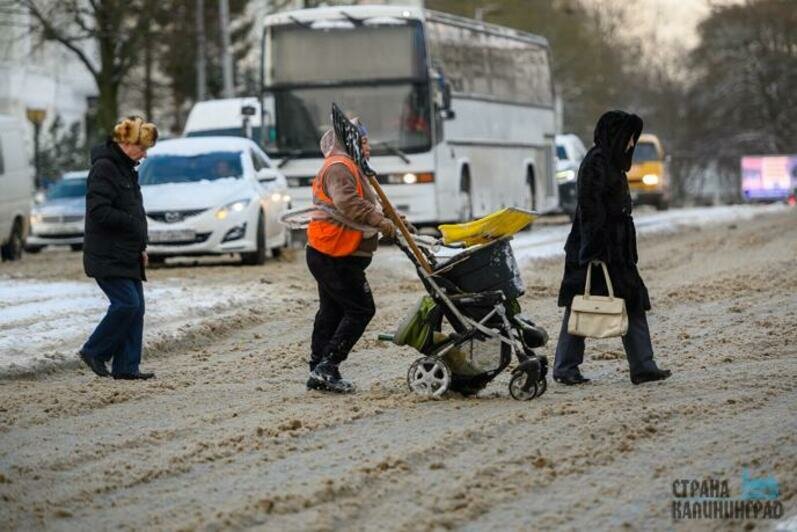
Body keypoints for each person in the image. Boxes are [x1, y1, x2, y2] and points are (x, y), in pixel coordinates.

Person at [553, 110, 671, 386]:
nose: (632, 144)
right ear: (617, 137)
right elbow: (591, 208)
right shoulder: (597, 162)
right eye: (629, 138)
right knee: (582, 306)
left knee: (625, 303)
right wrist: (594, 252)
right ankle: (567, 367)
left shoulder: (609, 162)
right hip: (598, 251)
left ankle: (641, 366)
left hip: (612, 250)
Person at [305, 118, 397, 393]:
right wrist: (380, 222)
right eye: (364, 142)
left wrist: (394, 220)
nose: (368, 148)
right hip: (334, 253)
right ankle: (327, 366)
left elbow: (368, 203)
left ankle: (319, 368)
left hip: (332, 252)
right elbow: (347, 203)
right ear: (351, 142)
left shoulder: (351, 166)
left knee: (331, 311)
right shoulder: (339, 167)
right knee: (361, 309)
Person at [78, 116, 158, 380]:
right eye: (142, 148)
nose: (144, 155)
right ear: (126, 143)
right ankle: (94, 351)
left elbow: (134, 209)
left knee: (136, 309)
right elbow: (99, 211)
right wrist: (132, 224)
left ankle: (126, 367)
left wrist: (141, 246)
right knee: (126, 304)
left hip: (127, 253)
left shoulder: (127, 170)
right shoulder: (105, 168)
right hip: (107, 253)